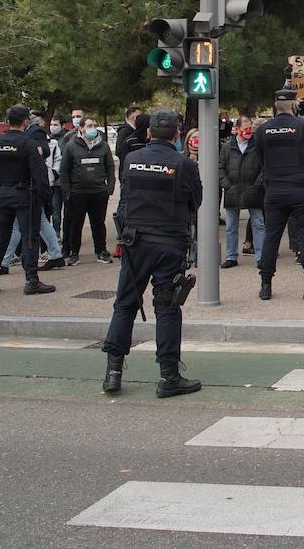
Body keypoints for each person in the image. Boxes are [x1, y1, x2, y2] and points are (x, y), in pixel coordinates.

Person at [101, 109, 202, 398]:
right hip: (169, 245)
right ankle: (168, 376)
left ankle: (113, 372)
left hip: (136, 243)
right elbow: (196, 201)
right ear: (177, 134)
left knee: (125, 305)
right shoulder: (184, 164)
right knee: (167, 308)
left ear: (148, 133)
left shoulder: (132, 160)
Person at [254, 87, 304, 301]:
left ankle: (265, 285)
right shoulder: (302, 127)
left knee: (271, 237)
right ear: (294, 105)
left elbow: (259, 158)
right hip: (299, 190)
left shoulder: (263, 130)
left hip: (274, 190)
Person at [0, 105, 55, 295]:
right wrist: (46, 199)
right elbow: (40, 176)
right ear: (25, 121)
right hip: (25, 193)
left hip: (3, 194)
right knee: (29, 236)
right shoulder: (29, 144)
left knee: (1, 235)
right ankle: (31, 279)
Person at [61, 116, 116, 263]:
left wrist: (109, 188)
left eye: (94, 125)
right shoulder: (71, 146)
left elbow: (110, 167)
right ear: (81, 128)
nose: (92, 128)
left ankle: (101, 250)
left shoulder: (103, 146)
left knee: (98, 223)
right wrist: (67, 192)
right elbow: (64, 171)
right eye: (89, 125)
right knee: (76, 224)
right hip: (77, 192)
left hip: (98, 192)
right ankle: (74, 252)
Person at [219, 115, 265, 269]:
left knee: (258, 224)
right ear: (237, 129)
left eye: (250, 128)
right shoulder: (227, 147)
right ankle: (231, 256)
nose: (248, 131)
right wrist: (227, 185)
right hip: (233, 190)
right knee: (231, 225)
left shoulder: (258, 145)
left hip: (253, 190)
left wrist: (257, 184)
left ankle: (261, 257)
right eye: (245, 128)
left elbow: (264, 167)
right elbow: (220, 167)